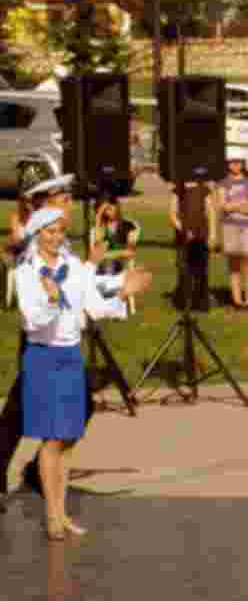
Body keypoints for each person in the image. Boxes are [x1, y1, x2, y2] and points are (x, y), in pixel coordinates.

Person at [14, 207, 152, 540]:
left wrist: (122, 293)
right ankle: (51, 514)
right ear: (36, 235)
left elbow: (92, 304)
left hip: (71, 356)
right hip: (43, 357)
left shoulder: (72, 266)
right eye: (49, 232)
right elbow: (33, 320)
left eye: (60, 231)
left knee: (70, 436)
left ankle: (62, 512)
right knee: (52, 437)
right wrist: (50, 298)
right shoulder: (27, 271)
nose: (56, 238)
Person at [0, 175, 78, 511]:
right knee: (20, 409)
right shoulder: (33, 240)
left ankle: (40, 466)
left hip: (64, 339)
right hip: (40, 338)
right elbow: (16, 255)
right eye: (65, 197)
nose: (71, 204)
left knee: (73, 404)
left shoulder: (60, 238)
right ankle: (35, 468)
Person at [169, 181, 217, 312]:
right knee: (184, 270)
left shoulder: (204, 189)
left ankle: (201, 303)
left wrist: (212, 234)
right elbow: (172, 215)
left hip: (202, 236)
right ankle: (185, 303)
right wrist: (184, 230)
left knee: (201, 270)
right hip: (183, 238)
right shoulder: (177, 190)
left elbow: (210, 212)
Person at [218, 157, 248, 309]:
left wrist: (234, 206)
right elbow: (223, 205)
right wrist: (242, 206)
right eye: (232, 162)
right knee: (233, 263)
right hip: (229, 226)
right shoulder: (223, 182)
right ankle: (236, 299)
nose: (235, 165)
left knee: (247, 262)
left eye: (239, 162)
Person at [90, 196, 138, 277]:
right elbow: (96, 252)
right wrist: (98, 218)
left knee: (110, 266)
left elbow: (130, 252)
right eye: (106, 209)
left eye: (112, 205)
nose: (110, 210)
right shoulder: (97, 229)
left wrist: (107, 255)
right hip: (100, 271)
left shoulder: (129, 226)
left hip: (119, 270)